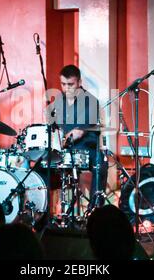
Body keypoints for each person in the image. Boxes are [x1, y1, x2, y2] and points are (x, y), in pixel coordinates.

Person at [46, 65, 108, 207]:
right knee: (41, 166)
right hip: (65, 151)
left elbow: (77, 133)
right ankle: (43, 214)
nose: (66, 88)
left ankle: (95, 211)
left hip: (87, 149)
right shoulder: (58, 102)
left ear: (79, 82)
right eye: (63, 84)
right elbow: (52, 127)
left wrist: (62, 140)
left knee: (101, 165)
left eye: (70, 84)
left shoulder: (91, 102)